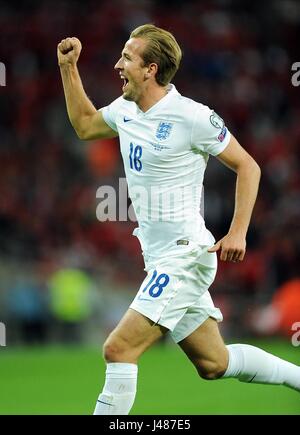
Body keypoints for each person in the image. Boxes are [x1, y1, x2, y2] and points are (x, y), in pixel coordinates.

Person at [57, 24, 300, 415]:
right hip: (160, 258)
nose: (118, 64)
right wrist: (68, 69)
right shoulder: (125, 110)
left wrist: (238, 231)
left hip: (183, 256)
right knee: (213, 363)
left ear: (150, 69)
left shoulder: (192, 117)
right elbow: (85, 125)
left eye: (127, 58)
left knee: (118, 349)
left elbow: (248, 167)